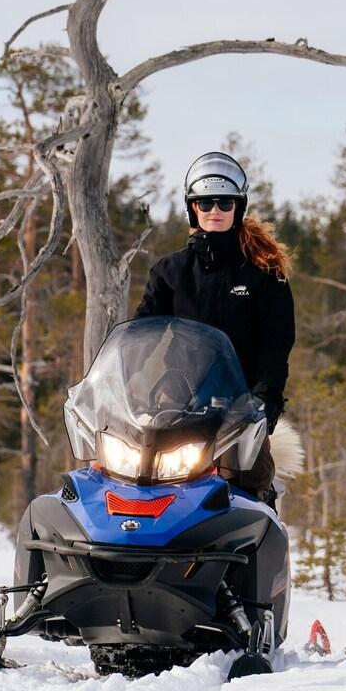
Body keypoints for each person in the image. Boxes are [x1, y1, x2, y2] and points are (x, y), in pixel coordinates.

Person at [131, 151, 298, 498]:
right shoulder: (171, 272)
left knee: (252, 482)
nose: (215, 212)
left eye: (224, 203)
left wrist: (266, 398)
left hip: (241, 405)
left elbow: (276, 343)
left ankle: (257, 539)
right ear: (193, 208)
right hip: (178, 400)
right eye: (205, 204)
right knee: (139, 476)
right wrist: (122, 379)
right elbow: (141, 331)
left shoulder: (264, 274)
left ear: (239, 206)